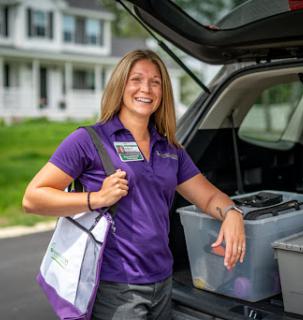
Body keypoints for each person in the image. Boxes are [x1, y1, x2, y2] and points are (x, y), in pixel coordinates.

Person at [23, 49, 245, 320]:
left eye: (155, 82)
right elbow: (33, 198)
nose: (146, 89)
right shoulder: (88, 140)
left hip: (163, 281)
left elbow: (209, 198)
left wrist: (232, 213)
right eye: (136, 79)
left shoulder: (170, 149)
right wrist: (96, 198)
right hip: (115, 287)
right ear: (121, 85)